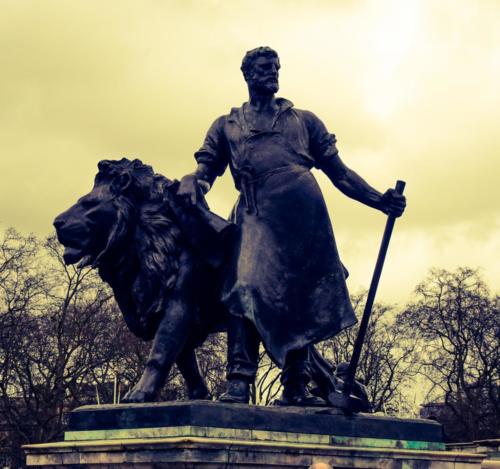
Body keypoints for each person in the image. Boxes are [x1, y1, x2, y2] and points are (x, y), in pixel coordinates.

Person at [178, 46, 406, 405]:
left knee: (301, 296)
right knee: (244, 286)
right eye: (265, 68)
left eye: (276, 67)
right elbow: (207, 170)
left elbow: (340, 174)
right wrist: (194, 180)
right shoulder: (227, 125)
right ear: (248, 75)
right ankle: (239, 381)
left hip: (303, 213)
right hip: (256, 213)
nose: (273, 73)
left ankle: (297, 387)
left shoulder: (303, 120)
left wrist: (380, 200)